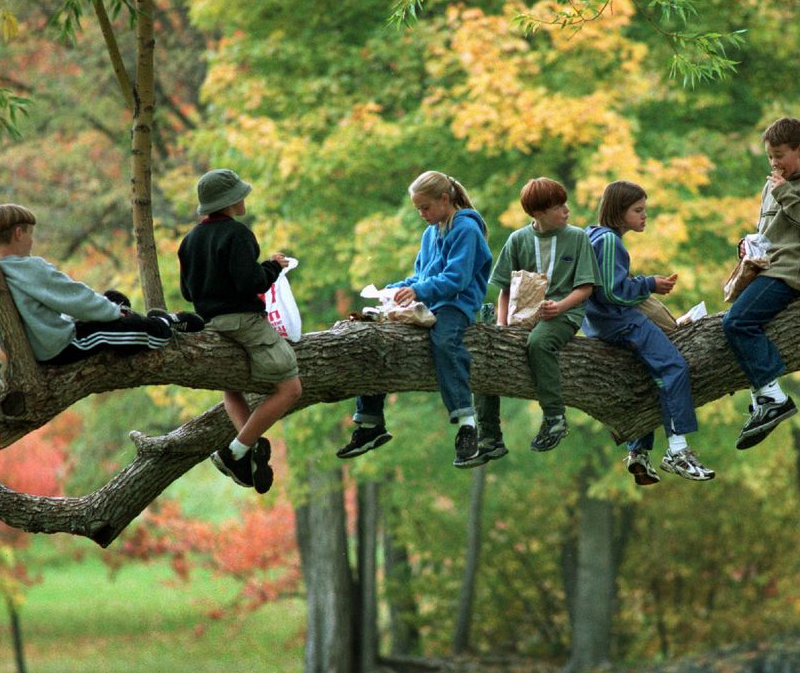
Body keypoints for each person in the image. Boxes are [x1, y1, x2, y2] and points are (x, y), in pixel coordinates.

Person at [0, 203, 204, 401]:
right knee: (129, 328)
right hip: (60, 347)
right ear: (19, 233)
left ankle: (129, 314)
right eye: (30, 233)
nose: (31, 241)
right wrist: (113, 313)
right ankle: (165, 324)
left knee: (113, 298)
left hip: (48, 339)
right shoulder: (29, 268)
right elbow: (75, 297)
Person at [336, 171, 493, 468]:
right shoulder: (430, 232)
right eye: (418, 209)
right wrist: (395, 289)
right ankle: (370, 423)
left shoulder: (466, 230)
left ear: (444, 200)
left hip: (455, 304)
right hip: (429, 300)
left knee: (445, 342)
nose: (422, 214)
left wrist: (418, 290)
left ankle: (467, 423)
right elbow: (421, 277)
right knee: (375, 333)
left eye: (425, 208)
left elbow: (456, 279)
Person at [179, 169, 303, 495]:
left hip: (209, 325)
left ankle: (247, 450)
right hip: (243, 323)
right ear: (231, 201)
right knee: (290, 388)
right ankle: (233, 452)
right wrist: (274, 266)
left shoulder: (189, 240)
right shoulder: (238, 234)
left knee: (232, 389)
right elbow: (254, 283)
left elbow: (188, 293)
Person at [583, 180, 714, 485]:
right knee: (674, 368)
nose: (644, 216)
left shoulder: (593, 236)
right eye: (638, 210)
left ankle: (638, 452)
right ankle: (678, 451)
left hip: (599, 324)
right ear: (619, 211)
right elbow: (613, 293)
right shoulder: (610, 242)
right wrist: (650, 284)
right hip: (620, 321)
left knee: (648, 375)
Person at [722, 117, 800, 450]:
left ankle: (773, 397)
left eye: (780, 155)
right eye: (770, 157)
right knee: (735, 323)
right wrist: (748, 245)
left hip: (794, 270)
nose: (774, 163)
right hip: (769, 266)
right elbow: (769, 231)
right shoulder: (770, 185)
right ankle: (761, 400)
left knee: (737, 322)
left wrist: (786, 193)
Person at [475, 177, 597, 461]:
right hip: (521, 314)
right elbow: (505, 289)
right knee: (486, 351)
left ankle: (554, 416)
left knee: (540, 343)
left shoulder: (578, 238)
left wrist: (560, 307)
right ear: (538, 213)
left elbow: (586, 288)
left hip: (565, 314)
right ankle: (488, 434)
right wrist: (502, 326)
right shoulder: (518, 240)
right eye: (558, 207)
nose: (566, 210)